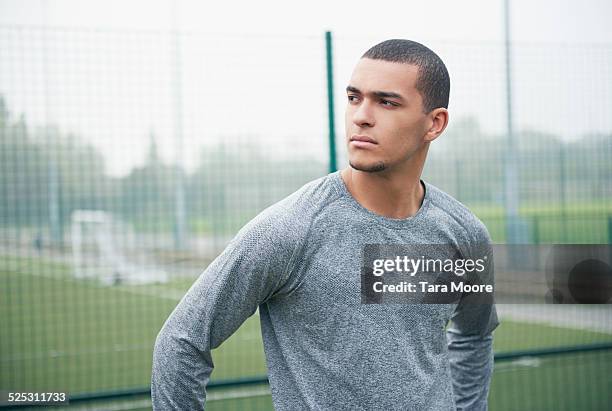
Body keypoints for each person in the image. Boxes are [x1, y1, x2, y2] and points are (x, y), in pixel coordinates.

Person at [152, 39, 499, 410]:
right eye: (354, 98)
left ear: (435, 123)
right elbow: (181, 342)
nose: (361, 116)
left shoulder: (463, 234)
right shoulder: (292, 230)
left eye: (386, 101)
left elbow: (474, 335)